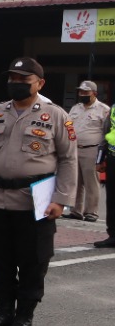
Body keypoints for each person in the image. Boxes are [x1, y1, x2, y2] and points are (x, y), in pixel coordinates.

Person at [0, 57, 78, 326]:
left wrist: (61, 199)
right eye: (12, 79)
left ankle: (24, 316)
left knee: (33, 262)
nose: (15, 84)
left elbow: (68, 160)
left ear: (39, 83)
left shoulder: (56, 116)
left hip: (35, 202)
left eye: (23, 80)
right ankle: (3, 311)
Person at [66, 80, 109, 222]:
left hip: (92, 149)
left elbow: (107, 131)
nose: (82, 94)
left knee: (91, 182)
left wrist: (104, 153)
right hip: (74, 149)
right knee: (75, 181)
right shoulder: (75, 108)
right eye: (80, 92)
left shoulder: (103, 109)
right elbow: (68, 126)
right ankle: (75, 210)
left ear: (94, 94)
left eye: (86, 92)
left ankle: (91, 212)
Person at [96, 108, 115, 249]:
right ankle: (113, 235)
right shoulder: (114, 108)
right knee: (112, 198)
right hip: (113, 157)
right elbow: (106, 132)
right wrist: (100, 158)